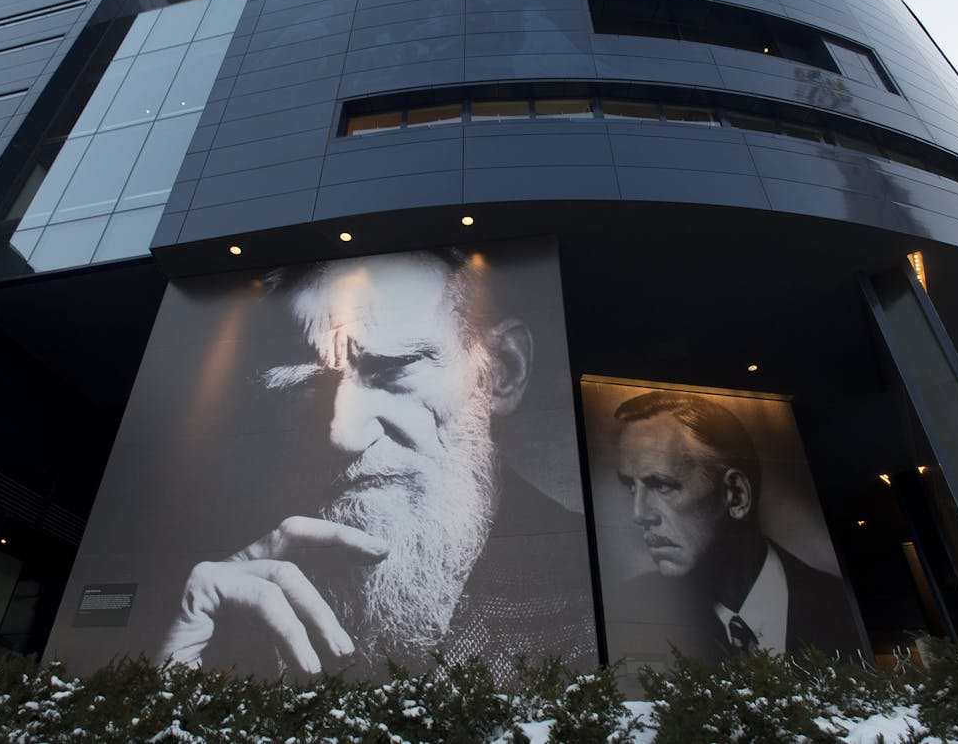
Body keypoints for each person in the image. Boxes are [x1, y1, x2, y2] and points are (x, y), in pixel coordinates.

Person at [157, 249, 595, 680]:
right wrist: (175, 682)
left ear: (502, 371)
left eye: (394, 367)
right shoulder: (229, 608)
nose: (341, 434)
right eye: (303, 383)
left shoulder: (589, 603)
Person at [614, 390, 859, 661]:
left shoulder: (841, 607)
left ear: (736, 495)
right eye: (630, 487)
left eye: (662, 485)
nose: (638, 513)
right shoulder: (625, 608)